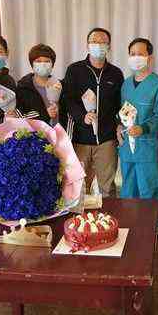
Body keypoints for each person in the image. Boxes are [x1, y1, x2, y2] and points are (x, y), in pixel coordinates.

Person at [62, 28, 124, 197]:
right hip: (80, 139)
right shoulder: (74, 70)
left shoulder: (116, 73)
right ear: (87, 45)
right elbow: (68, 100)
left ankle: (109, 214)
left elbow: (119, 104)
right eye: (94, 41)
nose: (98, 45)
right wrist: (82, 117)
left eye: (103, 42)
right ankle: (81, 216)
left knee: (107, 188)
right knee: (79, 188)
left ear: (109, 46)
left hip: (107, 141)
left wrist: (120, 125)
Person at [118, 38, 158, 200]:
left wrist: (143, 128)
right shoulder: (126, 84)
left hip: (148, 149)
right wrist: (119, 126)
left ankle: (150, 219)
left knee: (149, 194)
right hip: (127, 149)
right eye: (132, 54)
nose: (135, 57)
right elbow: (122, 112)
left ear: (150, 58)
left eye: (140, 54)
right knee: (128, 193)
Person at [16, 43, 59, 124]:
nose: (43, 64)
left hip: (58, 130)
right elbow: (20, 116)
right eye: (38, 61)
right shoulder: (23, 87)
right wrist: (45, 114)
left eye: (47, 61)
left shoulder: (59, 85)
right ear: (32, 64)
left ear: (52, 64)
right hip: (35, 131)